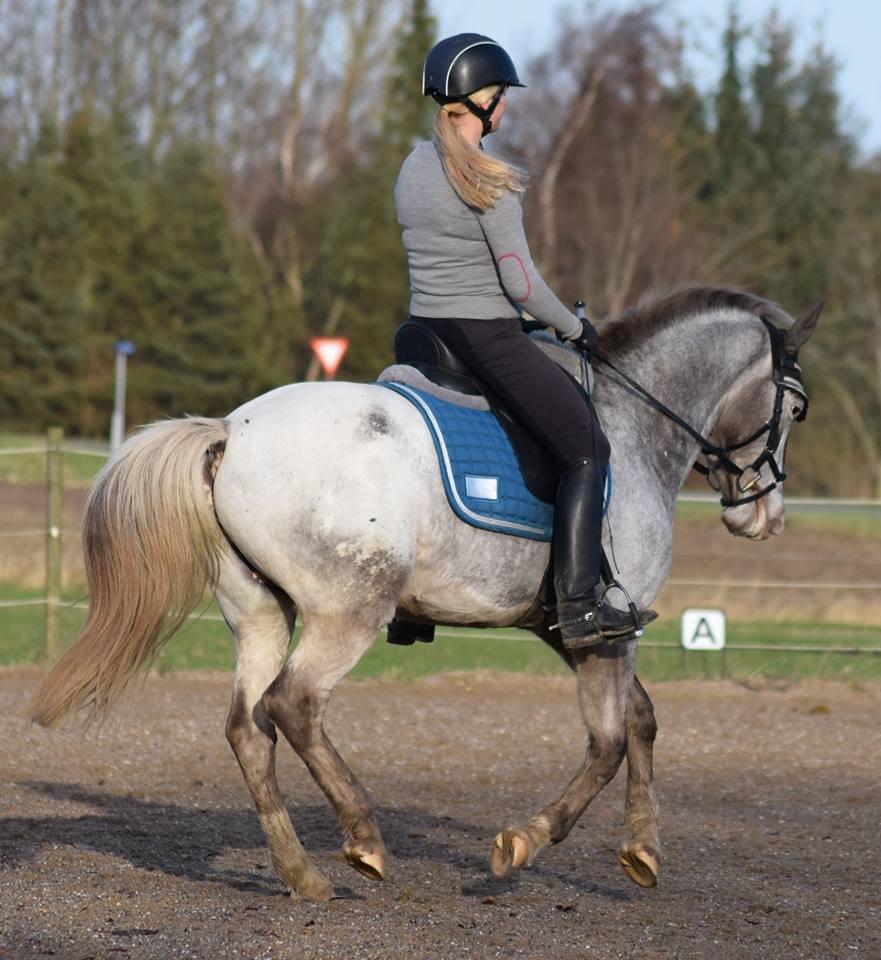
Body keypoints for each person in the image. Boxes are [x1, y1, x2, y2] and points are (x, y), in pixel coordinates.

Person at [394, 33, 653, 649]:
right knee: (587, 445)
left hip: (426, 333)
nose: (505, 106)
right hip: (486, 336)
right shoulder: (492, 179)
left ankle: (411, 608)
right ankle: (581, 604)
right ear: (483, 102)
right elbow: (521, 283)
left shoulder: (412, 165)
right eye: (501, 96)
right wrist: (573, 328)